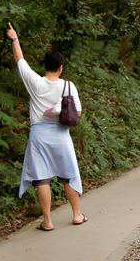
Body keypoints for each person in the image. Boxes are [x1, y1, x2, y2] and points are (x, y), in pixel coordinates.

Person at [7, 23, 86, 231]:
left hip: (39, 136)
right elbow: (77, 113)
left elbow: (20, 60)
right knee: (68, 175)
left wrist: (14, 38)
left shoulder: (35, 82)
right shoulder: (69, 86)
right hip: (61, 135)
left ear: (45, 65)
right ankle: (77, 215)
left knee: (42, 178)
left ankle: (48, 221)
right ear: (61, 68)